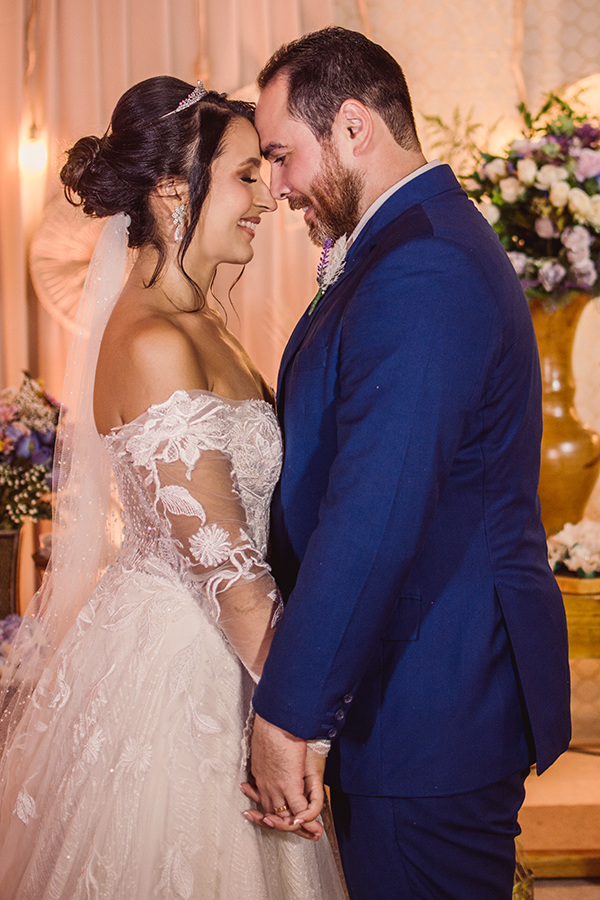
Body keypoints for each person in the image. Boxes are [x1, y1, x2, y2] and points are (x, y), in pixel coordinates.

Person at [242, 26, 572, 900]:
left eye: (281, 155)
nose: (276, 187)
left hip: (427, 704)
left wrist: (288, 712)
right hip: (411, 691)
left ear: (353, 126)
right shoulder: (408, 244)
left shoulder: (422, 262)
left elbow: (375, 509)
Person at [0, 75, 346, 900]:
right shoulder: (154, 340)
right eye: (245, 175)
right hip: (188, 666)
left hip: (233, 649)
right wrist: (306, 721)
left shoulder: (205, 320)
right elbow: (230, 574)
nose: (266, 197)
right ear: (170, 191)